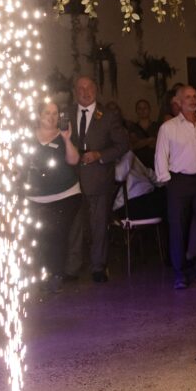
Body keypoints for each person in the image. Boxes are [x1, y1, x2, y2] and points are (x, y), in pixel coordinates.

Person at [154, 85, 196, 289]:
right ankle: (180, 273)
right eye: (187, 97)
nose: (192, 100)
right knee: (178, 228)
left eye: (195, 96)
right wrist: (166, 180)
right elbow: (160, 155)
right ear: (178, 102)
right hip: (179, 181)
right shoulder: (168, 127)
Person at [69, 76, 129, 283]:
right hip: (71, 180)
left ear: (96, 89)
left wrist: (100, 155)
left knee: (98, 225)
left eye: (89, 87)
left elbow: (122, 145)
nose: (85, 92)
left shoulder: (108, 115)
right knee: (75, 225)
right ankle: (72, 267)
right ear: (75, 91)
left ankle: (98, 266)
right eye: (80, 88)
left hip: (98, 178)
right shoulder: (66, 113)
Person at [24, 103, 81, 292]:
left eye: (55, 113)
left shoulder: (62, 135)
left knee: (57, 234)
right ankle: (42, 274)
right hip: (36, 196)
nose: (51, 117)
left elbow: (73, 160)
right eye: (47, 113)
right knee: (41, 236)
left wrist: (66, 139)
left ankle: (56, 275)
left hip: (65, 194)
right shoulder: (27, 137)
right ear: (39, 115)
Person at [112, 150, 165, 220]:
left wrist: (165, 182)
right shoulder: (103, 165)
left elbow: (148, 173)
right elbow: (119, 176)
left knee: (174, 196)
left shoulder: (128, 154)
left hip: (149, 194)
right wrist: (129, 153)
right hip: (128, 204)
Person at [127, 99, 159, 168]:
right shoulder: (133, 128)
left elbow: (158, 144)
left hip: (155, 162)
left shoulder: (156, 126)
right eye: (139, 108)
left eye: (145, 108)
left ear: (149, 110)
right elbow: (133, 145)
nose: (142, 110)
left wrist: (142, 142)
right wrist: (149, 140)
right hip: (138, 164)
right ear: (136, 111)